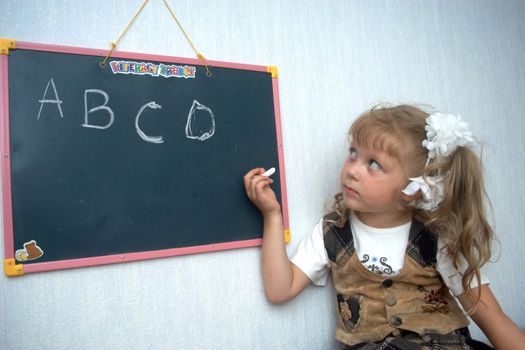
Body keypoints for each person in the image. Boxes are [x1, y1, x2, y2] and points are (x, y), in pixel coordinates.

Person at [243, 105, 525, 349]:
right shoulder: (331, 233)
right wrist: (272, 215)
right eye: (353, 153)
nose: (352, 169)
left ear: (413, 189)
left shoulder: (438, 238)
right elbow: (280, 289)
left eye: (373, 164)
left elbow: (492, 318)